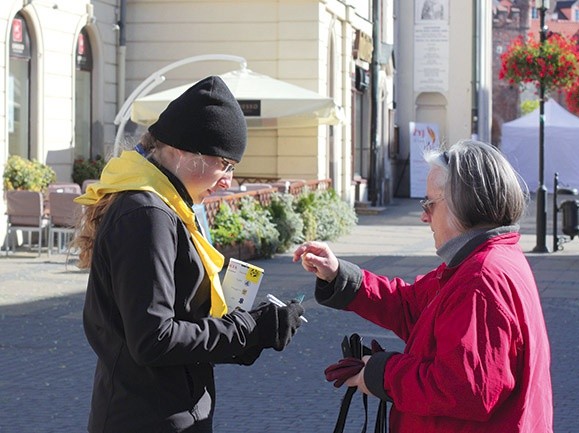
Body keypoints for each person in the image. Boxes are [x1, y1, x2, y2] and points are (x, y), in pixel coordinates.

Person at [74, 76, 304, 433]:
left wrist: (253, 332)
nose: (229, 180)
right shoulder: (148, 214)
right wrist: (250, 329)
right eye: (224, 163)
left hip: (163, 412)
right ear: (183, 152)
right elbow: (154, 339)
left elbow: (177, 323)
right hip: (146, 419)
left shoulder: (166, 206)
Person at [293, 139, 553, 432]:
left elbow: (464, 389)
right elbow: (411, 306)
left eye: (430, 203)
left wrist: (380, 373)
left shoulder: (481, 278)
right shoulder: (477, 263)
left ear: (463, 205)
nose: (424, 215)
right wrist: (340, 274)